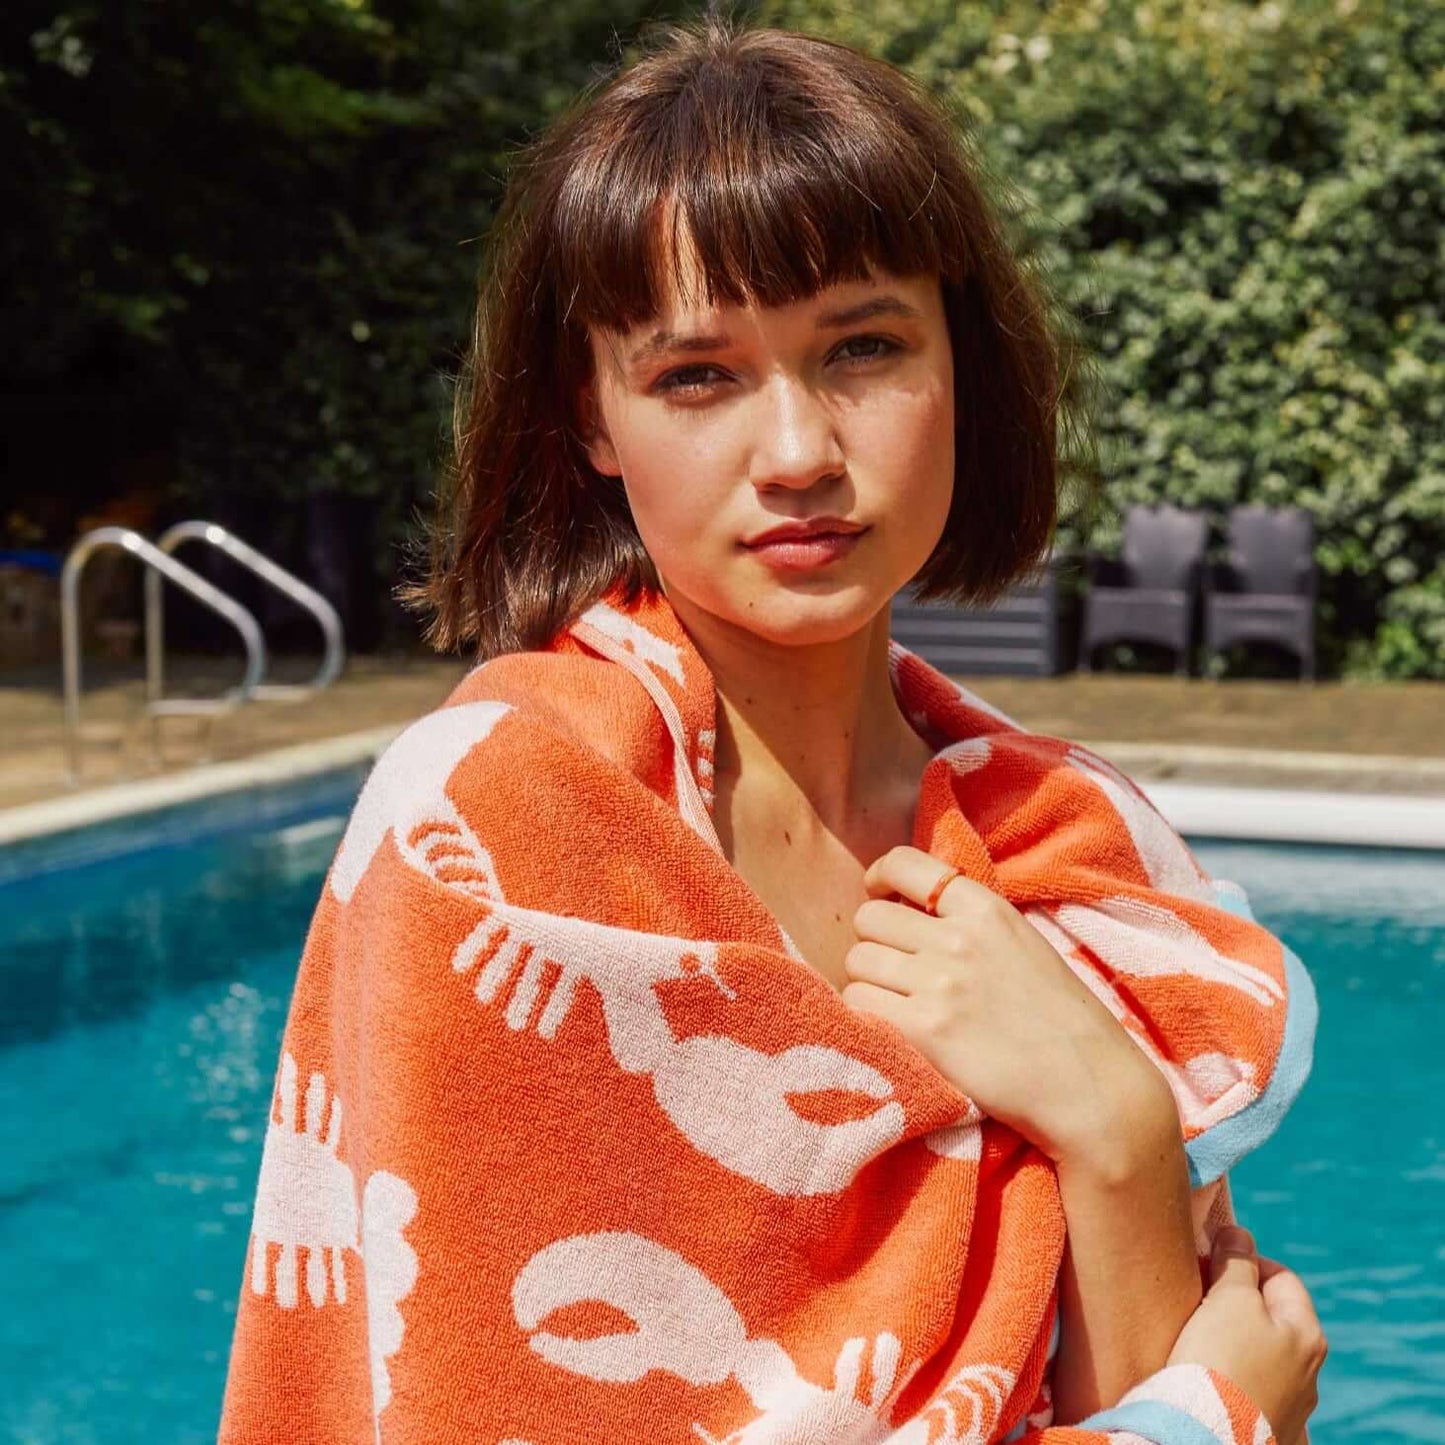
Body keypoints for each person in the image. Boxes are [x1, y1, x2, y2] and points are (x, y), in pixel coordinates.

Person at [219, 17, 1325, 1445]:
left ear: (961, 364)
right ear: (593, 419)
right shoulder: (488, 835)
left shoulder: (1068, 852)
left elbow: (1152, 1384)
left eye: (862, 347)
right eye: (697, 374)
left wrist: (1114, 1135)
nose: (799, 453)